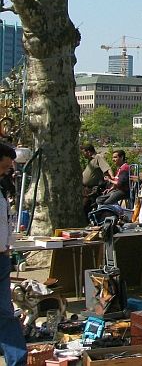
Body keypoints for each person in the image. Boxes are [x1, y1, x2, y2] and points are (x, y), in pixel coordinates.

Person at [0, 142, 27, 366]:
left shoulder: (1, 187)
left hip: (1, 257)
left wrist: (8, 246)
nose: (8, 170)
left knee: (6, 312)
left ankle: (16, 360)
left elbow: (6, 222)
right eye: (5, 166)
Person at [81, 144, 113, 216]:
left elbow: (107, 168)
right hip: (85, 188)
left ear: (88, 151)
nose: (83, 155)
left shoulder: (98, 157)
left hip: (92, 188)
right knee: (84, 206)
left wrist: (112, 177)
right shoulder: (90, 160)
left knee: (86, 206)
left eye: (84, 152)